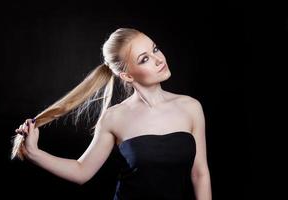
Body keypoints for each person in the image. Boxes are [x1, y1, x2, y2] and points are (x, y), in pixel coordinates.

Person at [13, 28, 212, 199]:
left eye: (155, 49)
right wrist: (35, 154)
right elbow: (81, 171)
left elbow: (200, 173)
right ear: (126, 75)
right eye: (144, 59)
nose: (158, 59)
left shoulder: (190, 107)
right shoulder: (114, 117)